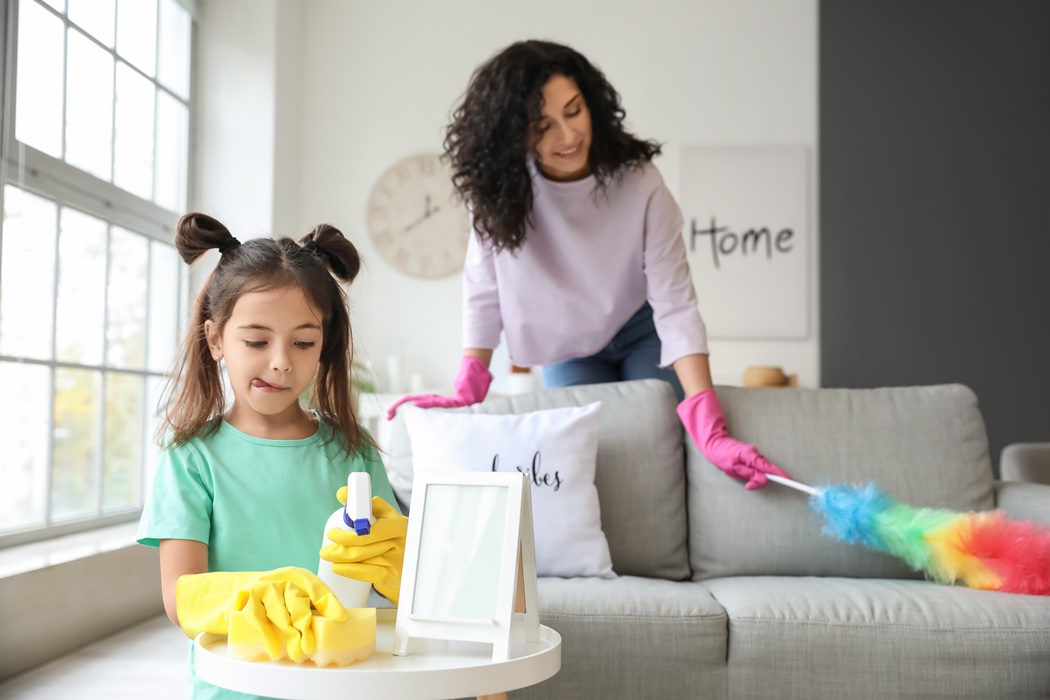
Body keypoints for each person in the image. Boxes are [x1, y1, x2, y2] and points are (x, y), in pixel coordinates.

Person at [388, 40, 790, 491]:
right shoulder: (498, 198)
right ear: (514, 135)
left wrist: (708, 420)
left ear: (592, 103)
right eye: (543, 126)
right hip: (568, 345)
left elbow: (675, 306)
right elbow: (484, 293)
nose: (568, 136)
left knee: (663, 440)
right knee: (591, 460)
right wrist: (468, 388)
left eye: (574, 111)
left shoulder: (639, 183)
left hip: (641, 328)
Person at [137, 213, 407, 699]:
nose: (282, 360)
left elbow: (389, 577)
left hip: (346, 683)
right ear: (216, 339)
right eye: (257, 341)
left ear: (325, 346)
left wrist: (406, 565)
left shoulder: (355, 451)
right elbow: (182, 599)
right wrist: (264, 596)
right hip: (237, 686)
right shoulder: (191, 458)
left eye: (303, 342)